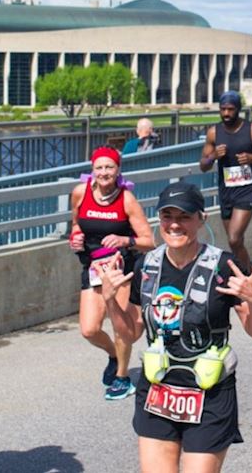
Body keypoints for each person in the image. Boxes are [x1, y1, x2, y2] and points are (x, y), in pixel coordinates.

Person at [97, 181, 252, 473]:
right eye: (168, 216)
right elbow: (131, 332)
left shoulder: (224, 266)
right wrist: (111, 301)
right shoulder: (146, 266)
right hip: (158, 389)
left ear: (201, 219)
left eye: (184, 217)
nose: (174, 225)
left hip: (209, 392)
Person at [70, 145, 156, 399]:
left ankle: (122, 377)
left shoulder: (126, 199)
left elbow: (148, 241)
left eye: (109, 167)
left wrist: (123, 240)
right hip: (94, 267)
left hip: (122, 268)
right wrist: (75, 238)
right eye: (99, 167)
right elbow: (76, 224)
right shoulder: (79, 193)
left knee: (121, 326)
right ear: (92, 169)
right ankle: (112, 354)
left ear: (118, 169)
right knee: (89, 329)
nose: (104, 172)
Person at [199, 91, 252, 279]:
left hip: (247, 191)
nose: (226, 113)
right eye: (223, 109)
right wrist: (213, 157)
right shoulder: (214, 132)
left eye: (230, 109)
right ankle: (244, 281)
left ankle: (250, 280)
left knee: (235, 239)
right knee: (234, 242)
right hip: (226, 191)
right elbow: (203, 165)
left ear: (238, 109)